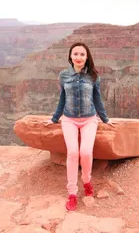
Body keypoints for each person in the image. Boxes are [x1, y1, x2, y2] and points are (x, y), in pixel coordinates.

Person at [44, 42, 117, 211]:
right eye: (75, 54)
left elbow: (97, 99)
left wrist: (105, 119)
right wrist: (55, 118)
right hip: (69, 119)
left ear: (87, 57)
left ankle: (86, 181)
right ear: (70, 56)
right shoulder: (63, 75)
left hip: (89, 119)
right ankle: (72, 193)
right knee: (72, 153)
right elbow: (62, 98)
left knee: (85, 152)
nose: (78, 57)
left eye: (82, 54)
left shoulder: (93, 76)